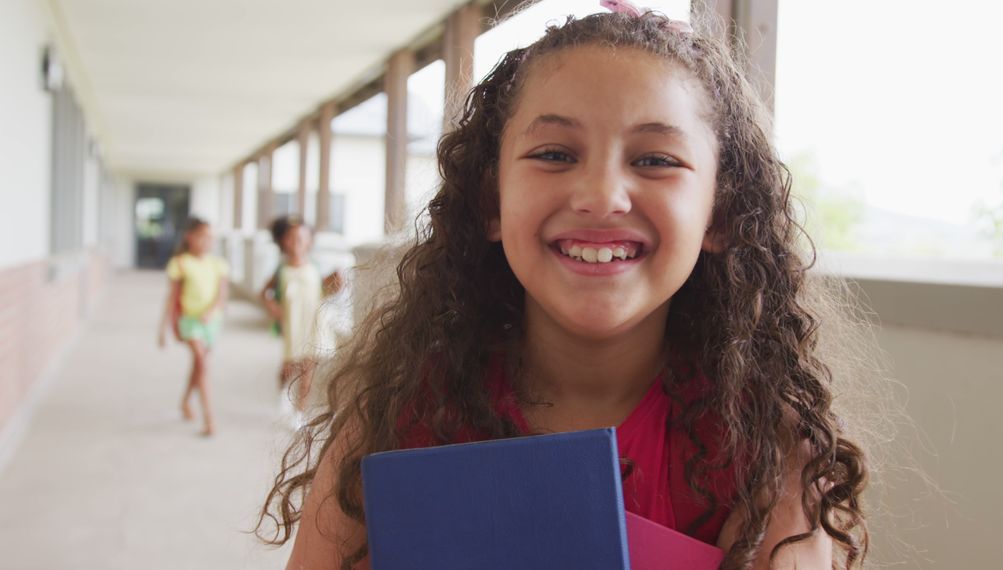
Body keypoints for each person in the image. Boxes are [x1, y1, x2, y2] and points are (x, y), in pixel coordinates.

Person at [260, 4, 870, 569]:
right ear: (490, 204)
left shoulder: (768, 455)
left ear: (720, 215)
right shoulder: (397, 421)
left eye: (655, 160)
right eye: (554, 153)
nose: (601, 195)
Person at [262, 215, 343, 422]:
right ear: (283, 241)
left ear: (309, 241)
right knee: (289, 367)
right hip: (292, 324)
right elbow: (265, 293)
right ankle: (283, 392)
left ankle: (299, 412)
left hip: (313, 324)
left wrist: (337, 282)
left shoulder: (316, 267)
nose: (296, 242)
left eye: (302, 238)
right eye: (291, 238)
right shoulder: (281, 270)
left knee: (308, 369)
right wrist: (274, 309)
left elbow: (327, 291)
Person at [158, 217, 229, 437]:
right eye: (202, 236)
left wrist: (211, 312)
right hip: (189, 322)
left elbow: (221, 296)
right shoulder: (180, 263)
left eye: (210, 237)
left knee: (199, 365)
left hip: (211, 322)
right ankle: (210, 420)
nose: (207, 241)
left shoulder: (218, 264)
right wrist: (163, 329)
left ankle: (185, 402)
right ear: (189, 236)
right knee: (202, 363)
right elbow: (172, 298)